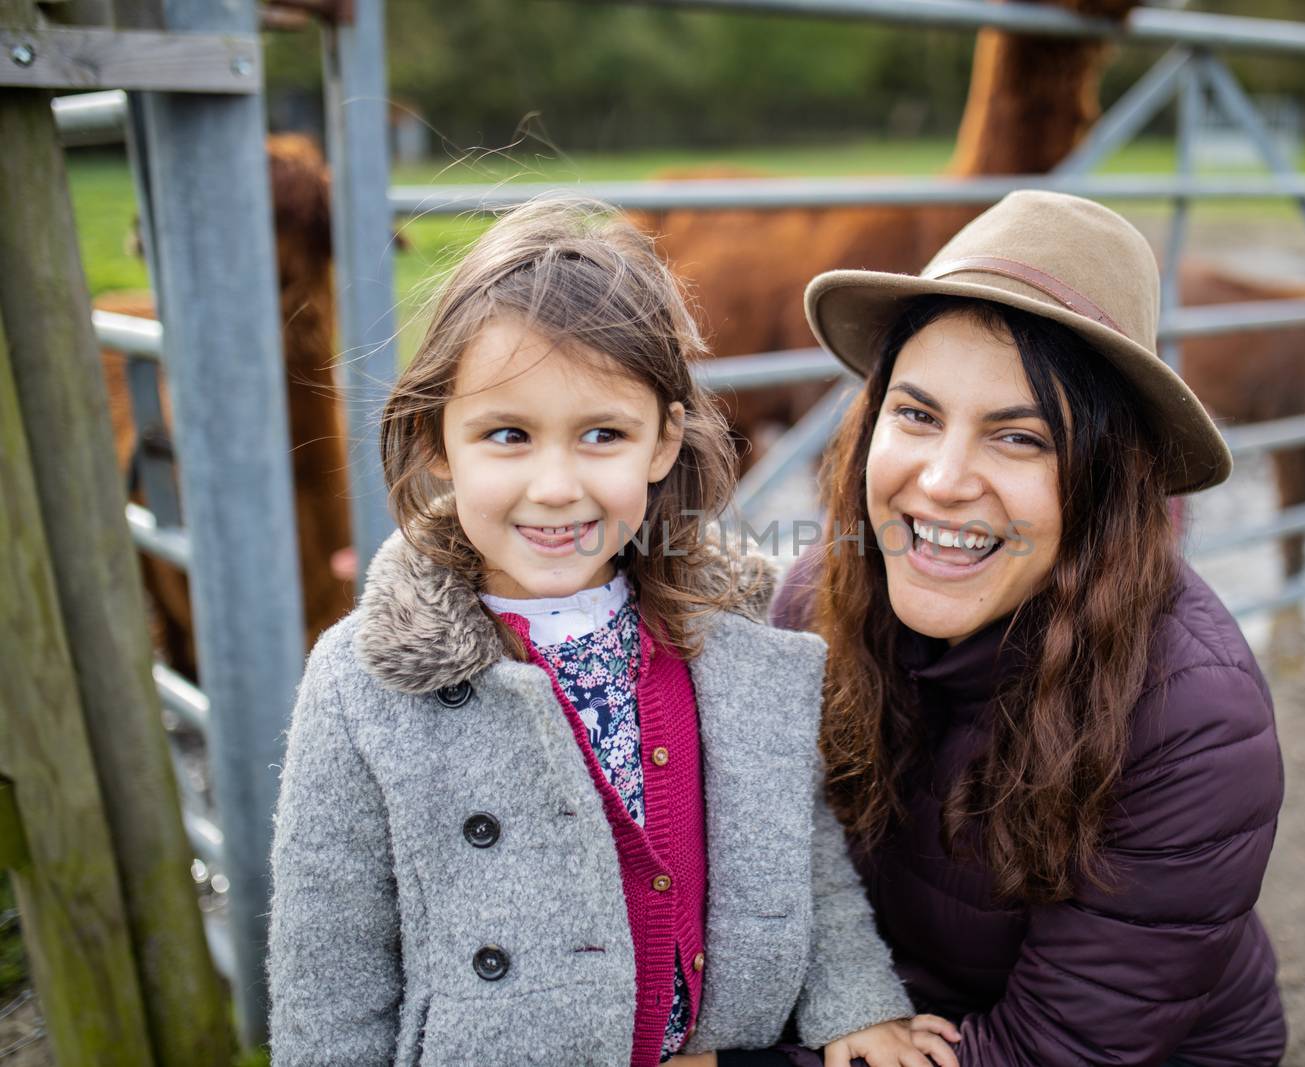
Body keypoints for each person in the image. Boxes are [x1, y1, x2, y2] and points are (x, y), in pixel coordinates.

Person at [267, 197, 958, 1067]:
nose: (556, 486)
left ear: (663, 443)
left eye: (603, 434)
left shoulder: (729, 637)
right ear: (438, 439)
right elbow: (327, 973)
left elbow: (801, 856)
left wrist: (855, 997)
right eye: (507, 434)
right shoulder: (367, 681)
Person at [772, 190, 1288, 1066]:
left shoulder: (1193, 722)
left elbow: (1055, 1050)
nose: (941, 479)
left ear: (1108, 479)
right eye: (917, 413)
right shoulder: (813, 607)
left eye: (1020, 438)